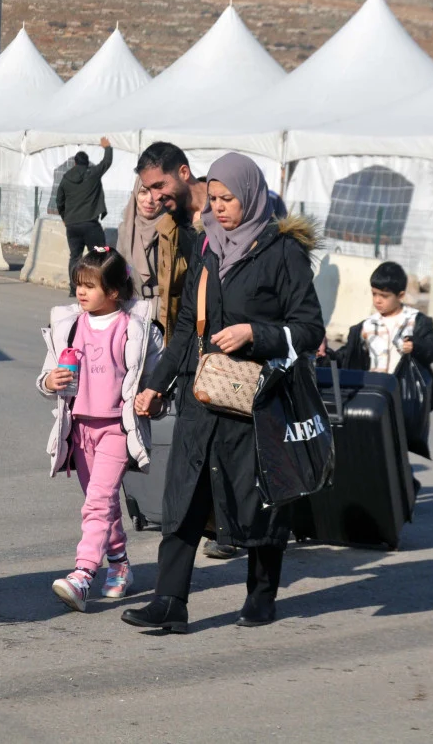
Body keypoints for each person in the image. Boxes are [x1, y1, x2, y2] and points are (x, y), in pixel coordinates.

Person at [123, 153, 324, 633]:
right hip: (202, 398)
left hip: (255, 404)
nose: (219, 207)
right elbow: (185, 334)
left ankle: (261, 596)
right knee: (183, 499)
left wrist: (256, 333)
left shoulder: (282, 253)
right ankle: (170, 603)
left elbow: (309, 328)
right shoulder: (208, 248)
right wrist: (154, 384)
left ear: (250, 195)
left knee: (256, 499)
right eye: (213, 198)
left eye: (227, 198)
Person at [37, 247, 165, 613]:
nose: (81, 292)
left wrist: (153, 399)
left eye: (90, 285)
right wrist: (50, 381)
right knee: (102, 504)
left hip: (117, 430)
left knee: (97, 502)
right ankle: (120, 563)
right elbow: (45, 378)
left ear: (114, 291)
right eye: (78, 284)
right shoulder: (70, 325)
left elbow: (160, 380)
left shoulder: (137, 330)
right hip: (78, 429)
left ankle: (82, 575)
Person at [134, 142, 239, 559]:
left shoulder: (229, 214)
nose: (154, 197)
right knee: (190, 451)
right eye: (147, 189)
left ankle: (233, 529)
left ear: (183, 171)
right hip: (188, 346)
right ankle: (198, 539)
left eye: (160, 185)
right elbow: (174, 297)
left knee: (227, 448)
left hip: (232, 351)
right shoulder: (170, 226)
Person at [324, 261, 433, 386]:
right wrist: (326, 356)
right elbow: (347, 356)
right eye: (374, 294)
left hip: (404, 393)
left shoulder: (415, 322)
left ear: (400, 295)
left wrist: (416, 346)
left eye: (384, 296)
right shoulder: (366, 326)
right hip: (372, 392)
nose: (377, 300)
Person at [117, 176, 195, 344]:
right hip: (131, 309)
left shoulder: (175, 230)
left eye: (157, 194)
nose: (149, 200)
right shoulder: (125, 229)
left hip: (166, 312)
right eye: (143, 192)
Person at [57, 137, 114, 296]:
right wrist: (107, 147)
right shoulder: (92, 174)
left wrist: (64, 216)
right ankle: (99, 286)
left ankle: (74, 289)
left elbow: (59, 200)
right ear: (87, 163)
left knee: (75, 257)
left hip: (72, 225)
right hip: (90, 224)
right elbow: (106, 162)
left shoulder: (66, 179)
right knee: (99, 254)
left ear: (75, 163)